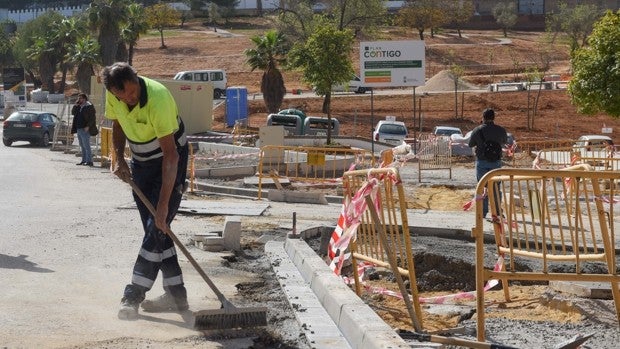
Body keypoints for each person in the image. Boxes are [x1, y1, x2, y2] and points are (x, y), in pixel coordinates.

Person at [102, 62, 190, 320]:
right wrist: (117, 157)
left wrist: (163, 204)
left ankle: (133, 294)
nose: (130, 98)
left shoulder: (158, 98)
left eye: (133, 91)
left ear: (137, 78)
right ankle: (177, 295)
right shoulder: (113, 92)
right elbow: (117, 125)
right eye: (124, 95)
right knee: (156, 231)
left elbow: (171, 157)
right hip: (141, 162)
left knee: (157, 224)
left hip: (170, 159)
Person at [468, 108, 507, 220]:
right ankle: (498, 212)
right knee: (495, 187)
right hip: (496, 163)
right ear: (494, 117)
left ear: (483, 117)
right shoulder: (500, 130)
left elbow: (470, 144)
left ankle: (482, 212)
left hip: (482, 162)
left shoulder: (477, 130)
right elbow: (504, 141)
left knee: (482, 187)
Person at [71, 93, 97, 166]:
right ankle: (84, 160)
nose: (79, 100)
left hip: (85, 129)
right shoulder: (79, 106)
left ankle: (89, 161)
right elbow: (73, 113)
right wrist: (75, 106)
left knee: (86, 145)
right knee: (82, 145)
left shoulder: (89, 106)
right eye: (79, 98)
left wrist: (88, 126)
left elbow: (92, 118)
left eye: (81, 98)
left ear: (84, 99)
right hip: (79, 129)